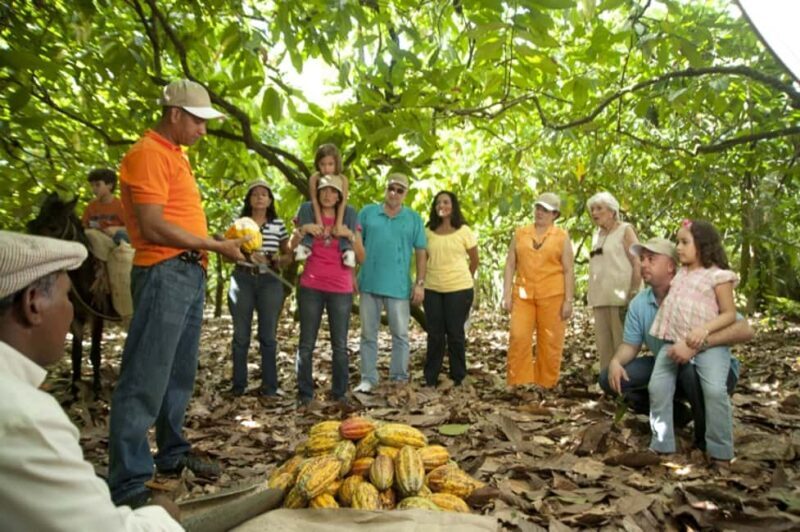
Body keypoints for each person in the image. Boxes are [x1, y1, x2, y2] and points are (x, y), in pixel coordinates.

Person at [107, 79, 248, 508]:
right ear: (174, 114)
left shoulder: (175, 154)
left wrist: (214, 243)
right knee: (145, 373)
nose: (203, 130)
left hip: (188, 271)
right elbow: (151, 226)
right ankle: (129, 478)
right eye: (198, 121)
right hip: (163, 271)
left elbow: (177, 218)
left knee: (178, 372)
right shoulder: (148, 153)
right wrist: (213, 246)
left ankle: (172, 452)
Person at [0, 230, 182, 531]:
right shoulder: (26, 417)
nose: (71, 309)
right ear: (33, 303)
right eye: (67, 296)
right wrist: (161, 515)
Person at [600, 237, 752, 452]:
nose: (643, 264)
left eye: (651, 259)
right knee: (609, 378)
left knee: (689, 369)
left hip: (709, 367)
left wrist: (698, 343)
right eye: (642, 259)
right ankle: (678, 414)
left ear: (671, 266)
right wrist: (616, 362)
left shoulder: (697, 292)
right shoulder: (640, 303)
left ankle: (705, 438)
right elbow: (630, 345)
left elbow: (745, 329)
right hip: (667, 364)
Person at [648, 220, 738, 461]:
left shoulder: (719, 276)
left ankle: (720, 450)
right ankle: (662, 442)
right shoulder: (680, 274)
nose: (678, 247)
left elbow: (729, 314)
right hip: (674, 341)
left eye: (684, 242)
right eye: (677, 242)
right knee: (657, 387)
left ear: (703, 245)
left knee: (714, 391)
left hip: (708, 346)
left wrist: (704, 330)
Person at [291, 175, 365, 409]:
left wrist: (348, 235)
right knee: (306, 344)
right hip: (311, 286)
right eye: (324, 190)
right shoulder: (308, 213)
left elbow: (361, 256)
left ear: (339, 196)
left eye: (333, 191)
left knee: (339, 345)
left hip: (340, 288)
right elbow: (291, 247)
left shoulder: (349, 216)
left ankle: (339, 392)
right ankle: (305, 393)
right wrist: (301, 230)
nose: (328, 195)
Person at [354, 173, 427, 393]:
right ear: (385, 189)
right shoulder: (367, 213)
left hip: (398, 286)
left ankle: (398, 378)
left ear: (406, 194)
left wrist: (420, 283)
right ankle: (368, 378)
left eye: (399, 190)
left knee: (400, 335)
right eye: (391, 189)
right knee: (368, 334)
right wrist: (351, 275)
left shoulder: (413, 218)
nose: (394, 193)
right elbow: (354, 245)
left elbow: (421, 252)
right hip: (369, 282)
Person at [503, 192, 574, 389]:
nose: (540, 213)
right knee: (518, 337)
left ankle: (546, 385)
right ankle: (519, 384)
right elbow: (510, 264)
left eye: (546, 210)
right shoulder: (521, 233)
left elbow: (568, 269)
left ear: (555, 214)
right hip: (523, 295)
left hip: (553, 295)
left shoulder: (561, 236)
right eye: (538, 208)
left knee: (550, 342)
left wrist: (568, 300)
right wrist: (506, 293)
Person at [228, 179, 291, 397]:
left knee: (268, 335)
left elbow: (288, 256)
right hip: (242, 279)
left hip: (269, 282)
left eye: (264, 194)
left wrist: (273, 260)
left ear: (270, 200)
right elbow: (226, 253)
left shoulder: (278, 225)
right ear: (249, 200)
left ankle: (270, 387)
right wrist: (245, 255)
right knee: (240, 335)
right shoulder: (239, 224)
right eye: (255, 194)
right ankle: (238, 386)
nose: (259, 197)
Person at [423, 191, 479, 387]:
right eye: (438, 202)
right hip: (432, 288)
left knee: (455, 334)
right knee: (435, 335)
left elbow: (474, 260)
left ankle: (458, 377)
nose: (442, 205)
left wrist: (464, 278)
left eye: (446, 202)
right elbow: (423, 260)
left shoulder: (464, 230)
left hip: (459, 289)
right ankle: (431, 378)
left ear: (453, 206)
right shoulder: (427, 231)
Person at [586, 191, 642, 371]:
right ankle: (606, 382)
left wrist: (634, 292)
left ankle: (625, 384)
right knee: (604, 347)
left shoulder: (625, 230)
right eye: (592, 209)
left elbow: (637, 261)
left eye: (599, 208)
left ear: (612, 211)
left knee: (622, 345)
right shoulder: (597, 235)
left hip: (622, 298)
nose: (594, 213)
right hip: (600, 298)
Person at [294, 144, 355, 268]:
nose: (326, 169)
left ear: (336, 164)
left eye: (330, 164)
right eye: (323, 164)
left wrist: (338, 225)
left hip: (338, 209)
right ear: (318, 164)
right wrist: (319, 223)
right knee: (306, 206)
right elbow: (314, 200)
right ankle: (306, 245)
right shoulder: (315, 178)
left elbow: (342, 202)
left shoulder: (343, 179)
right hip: (318, 208)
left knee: (349, 210)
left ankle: (347, 249)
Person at [82, 167, 130, 244]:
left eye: (98, 185)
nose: (94, 189)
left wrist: (116, 229)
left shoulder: (121, 205)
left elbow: (133, 229)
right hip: (96, 240)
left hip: (115, 241)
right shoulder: (91, 206)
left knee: (120, 235)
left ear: (110, 185)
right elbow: (84, 226)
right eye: (92, 185)